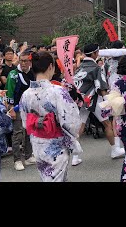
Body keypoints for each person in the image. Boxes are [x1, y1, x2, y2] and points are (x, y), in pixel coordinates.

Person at [19, 52, 81, 182]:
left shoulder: (26, 94)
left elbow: (25, 122)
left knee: (47, 177)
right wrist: (73, 135)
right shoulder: (57, 91)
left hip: (37, 142)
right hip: (55, 144)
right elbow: (71, 121)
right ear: (50, 66)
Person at [73, 43, 125, 166]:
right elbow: (100, 86)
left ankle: (75, 156)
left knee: (80, 125)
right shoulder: (96, 67)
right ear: (94, 54)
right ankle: (115, 149)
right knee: (107, 123)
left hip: (81, 99)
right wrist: (109, 99)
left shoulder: (79, 67)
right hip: (94, 99)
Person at [6, 50, 36, 171]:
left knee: (29, 131)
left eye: (26, 61)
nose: (23, 63)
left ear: (30, 61)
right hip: (17, 108)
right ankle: (17, 159)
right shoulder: (13, 74)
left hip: (30, 107)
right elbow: (9, 93)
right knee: (17, 133)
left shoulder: (33, 73)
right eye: (21, 61)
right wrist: (11, 109)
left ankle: (28, 156)